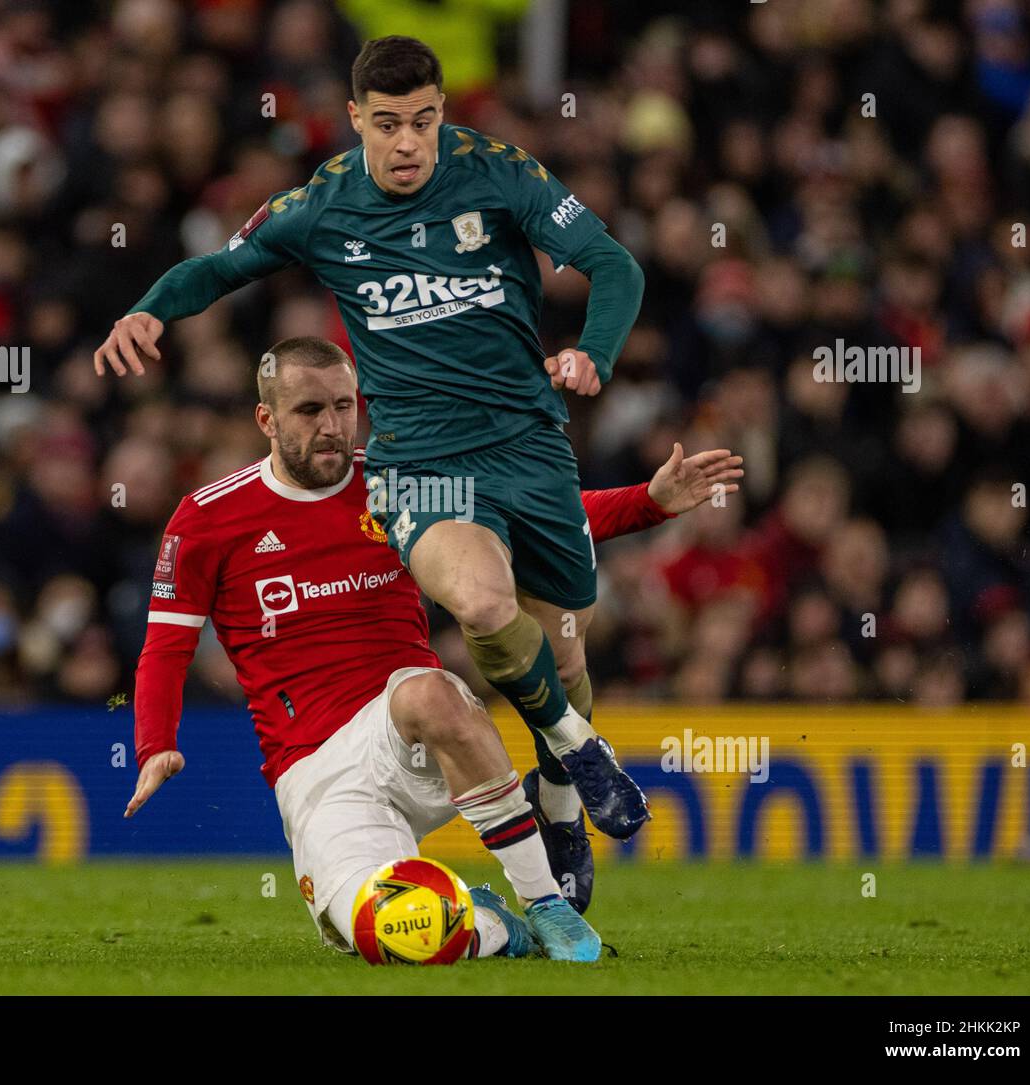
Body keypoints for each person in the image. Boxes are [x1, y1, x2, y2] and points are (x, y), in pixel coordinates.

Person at [96, 35, 676, 867]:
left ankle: (559, 800)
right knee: (480, 605)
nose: (409, 143)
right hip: (418, 461)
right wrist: (151, 308)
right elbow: (222, 268)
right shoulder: (321, 206)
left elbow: (613, 264)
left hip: (529, 444)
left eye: (426, 122)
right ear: (356, 119)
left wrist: (595, 353)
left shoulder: (502, 172)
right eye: (391, 124)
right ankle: (580, 750)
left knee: (565, 650)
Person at [123, 337, 743, 961]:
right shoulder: (208, 519)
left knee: (431, 690)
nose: (333, 425)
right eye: (310, 410)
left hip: (412, 728)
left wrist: (648, 503)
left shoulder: (398, 480)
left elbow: (530, 518)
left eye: (344, 405)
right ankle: (496, 923)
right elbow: (166, 648)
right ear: (267, 419)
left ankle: (546, 903)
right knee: (393, 936)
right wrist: (155, 743)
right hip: (314, 769)